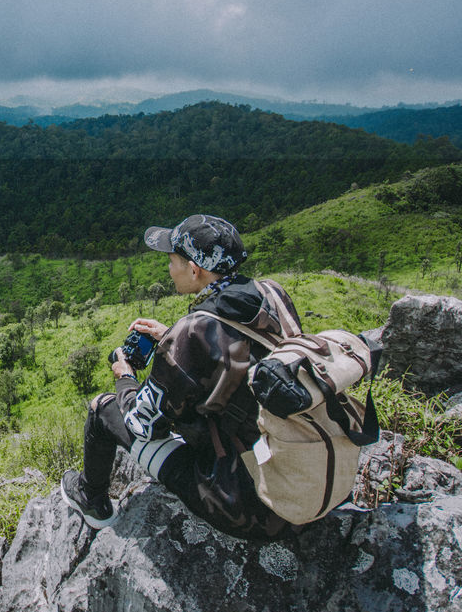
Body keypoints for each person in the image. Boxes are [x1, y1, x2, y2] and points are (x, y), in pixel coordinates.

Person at [60, 214, 301, 538]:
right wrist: (173, 338)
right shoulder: (271, 294)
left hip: (251, 504)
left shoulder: (194, 332)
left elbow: (141, 423)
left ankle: (91, 500)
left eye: (173, 261)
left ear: (194, 269)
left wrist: (125, 375)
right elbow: (243, 355)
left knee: (103, 410)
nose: (169, 268)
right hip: (300, 473)